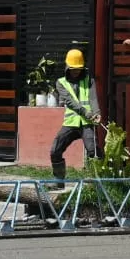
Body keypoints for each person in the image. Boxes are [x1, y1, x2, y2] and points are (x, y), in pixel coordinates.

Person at [49, 49, 101, 186]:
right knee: (55, 150)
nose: (76, 71)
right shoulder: (60, 83)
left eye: (78, 69)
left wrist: (97, 112)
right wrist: (87, 112)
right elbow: (71, 102)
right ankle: (58, 180)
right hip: (71, 123)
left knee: (93, 152)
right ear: (67, 68)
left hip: (87, 123)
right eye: (73, 69)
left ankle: (94, 184)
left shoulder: (89, 80)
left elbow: (93, 99)